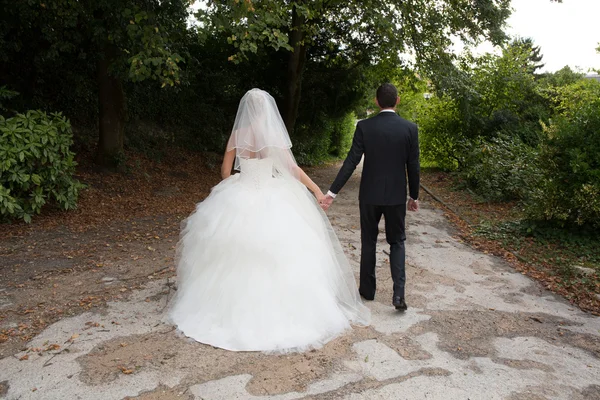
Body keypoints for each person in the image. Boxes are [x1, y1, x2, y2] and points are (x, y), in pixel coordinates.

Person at [167, 88, 370, 353]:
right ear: (266, 110)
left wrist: (237, 185)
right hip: (271, 194)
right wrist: (317, 191)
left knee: (231, 254)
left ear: (246, 110)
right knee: (282, 253)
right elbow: (292, 170)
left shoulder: (238, 135)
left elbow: (225, 171)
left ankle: (224, 310)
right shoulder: (272, 137)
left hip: (240, 192)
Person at [320, 83, 420, 311]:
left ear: (376, 101)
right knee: (397, 242)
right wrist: (413, 195)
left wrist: (332, 192)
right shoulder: (409, 129)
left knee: (369, 240)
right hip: (396, 196)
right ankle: (398, 296)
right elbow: (413, 166)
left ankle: (367, 291)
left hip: (369, 195)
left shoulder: (365, 127)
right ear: (398, 100)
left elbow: (351, 161)